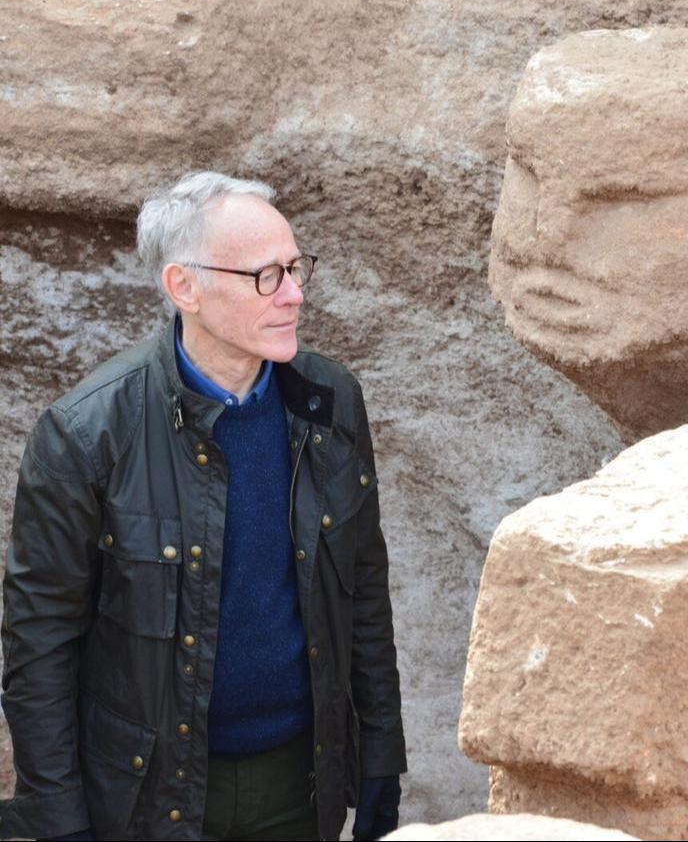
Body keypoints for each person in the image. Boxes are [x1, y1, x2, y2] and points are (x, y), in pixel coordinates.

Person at [1, 172, 405, 841]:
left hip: (299, 785)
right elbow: (38, 645)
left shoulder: (331, 401)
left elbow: (363, 591)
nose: (295, 294)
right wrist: (60, 820)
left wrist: (381, 763)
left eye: (296, 268)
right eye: (266, 276)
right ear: (183, 286)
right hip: (148, 798)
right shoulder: (85, 431)